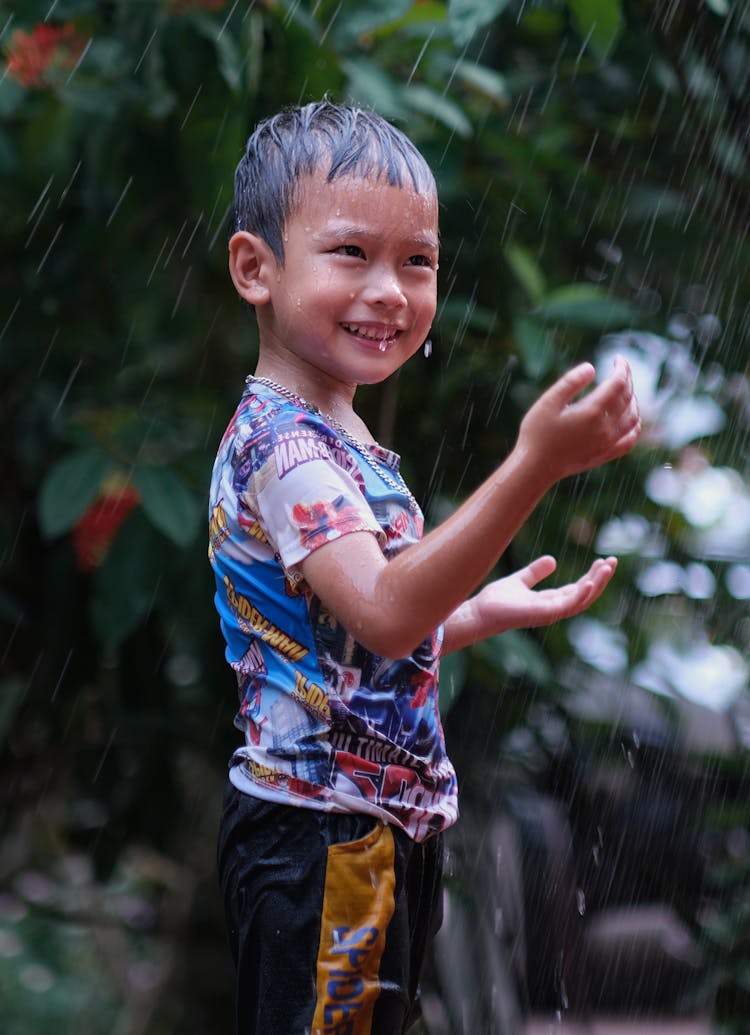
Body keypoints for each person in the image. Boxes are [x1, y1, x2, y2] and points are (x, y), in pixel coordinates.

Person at [208, 100, 640, 1035]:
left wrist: (475, 610)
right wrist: (535, 464)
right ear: (256, 268)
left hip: (363, 827)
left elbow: (355, 630)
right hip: (320, 834)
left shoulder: (335, 428)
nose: (391, 290)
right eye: (351, 254)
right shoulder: (290, 452)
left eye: (418, 261)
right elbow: (387, 612)